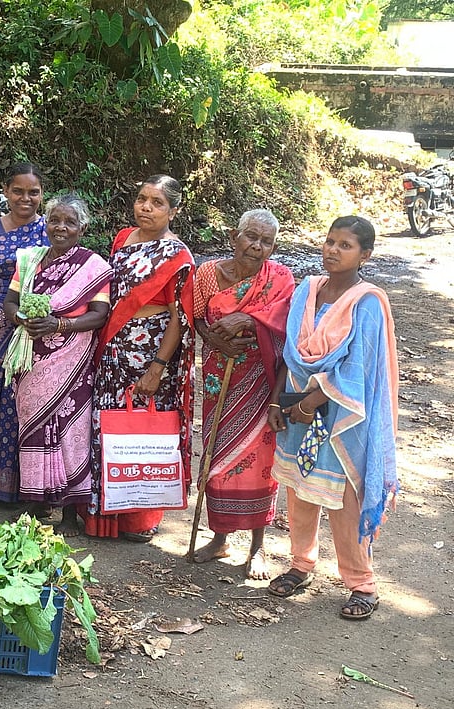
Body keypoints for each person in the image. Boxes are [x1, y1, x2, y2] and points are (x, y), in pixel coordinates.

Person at [267, 216, 399, 620]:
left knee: (345, 501)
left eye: (345, 245)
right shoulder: (308, 290)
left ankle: (362, 583)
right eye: (329, 241)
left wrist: (310, 403)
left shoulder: (367, 301)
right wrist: (279, 402)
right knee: (300, 490)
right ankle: (301, 564)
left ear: (366, 255)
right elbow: (289, 354)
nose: (332, 250)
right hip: (296, 405)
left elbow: (358, 367)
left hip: (342, 416)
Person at [81, 174, 195, 541]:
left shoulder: (178, 257)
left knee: (144, 431)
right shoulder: (123, 239)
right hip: (113, 349)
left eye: (157, 203)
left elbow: (180, 317)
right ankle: (104, 513)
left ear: (173, 211)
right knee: (106, 426)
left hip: (149, 353)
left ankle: (139, 519)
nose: (146, 207)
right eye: (142, 199)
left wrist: (158, 368)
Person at [189, 209, 294, 578]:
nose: (256, 246)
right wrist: (217, 339)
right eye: (251, 236)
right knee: (217, 450)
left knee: (259, 459)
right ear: (234, 236)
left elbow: (285, 322)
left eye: (266, 241)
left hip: (262, 378)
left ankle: (258, 546)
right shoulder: (207, 274)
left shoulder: (280, 278)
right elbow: (197, 317)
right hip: (221, 374)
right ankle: (220, 539)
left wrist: (249, 319)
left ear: (274, 247)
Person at [2, 194, 112, 533]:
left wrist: (59, 325)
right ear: (45, 223)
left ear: (83, 228)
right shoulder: (31, 260)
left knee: (70, 428)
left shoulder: (93, 266)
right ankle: (37, 497)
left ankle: (68, 509)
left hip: (71, 361)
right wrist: (21, 318)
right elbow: (10, 300)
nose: (61, 228)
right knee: (32, 424)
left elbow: (99, 314)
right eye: (55, 221)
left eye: (70, 222)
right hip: (30, 356)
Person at [0, 162, 47, 503]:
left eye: (33, 192)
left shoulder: (52, 230)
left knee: (31, 406)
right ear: (6, 191)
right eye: (18, 191)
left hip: (36, 330)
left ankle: (31, 486)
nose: (25, 198)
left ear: (42, 195)